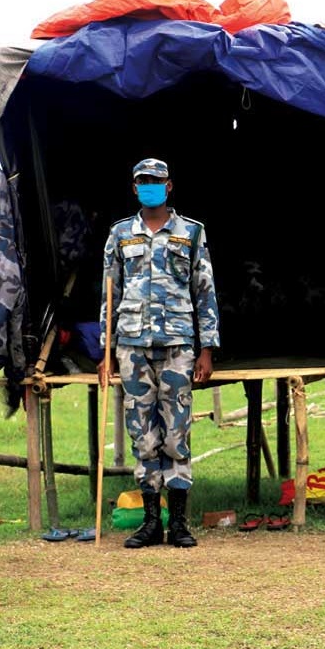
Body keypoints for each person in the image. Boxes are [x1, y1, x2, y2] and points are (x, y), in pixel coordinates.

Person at [98, 158, 220, 549]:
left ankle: (180, 524)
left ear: (169, 186)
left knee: (177, 431)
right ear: (135, 188)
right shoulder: (120, 235)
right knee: (143, 435)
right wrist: (106, 350)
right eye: (143, 181)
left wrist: (207, 349)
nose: (150, 185)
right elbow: (108, 296)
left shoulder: (192, 233)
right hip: (132, 347)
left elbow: (205, 292)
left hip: (178, 346)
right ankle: (151, 522)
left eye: (157, 180)